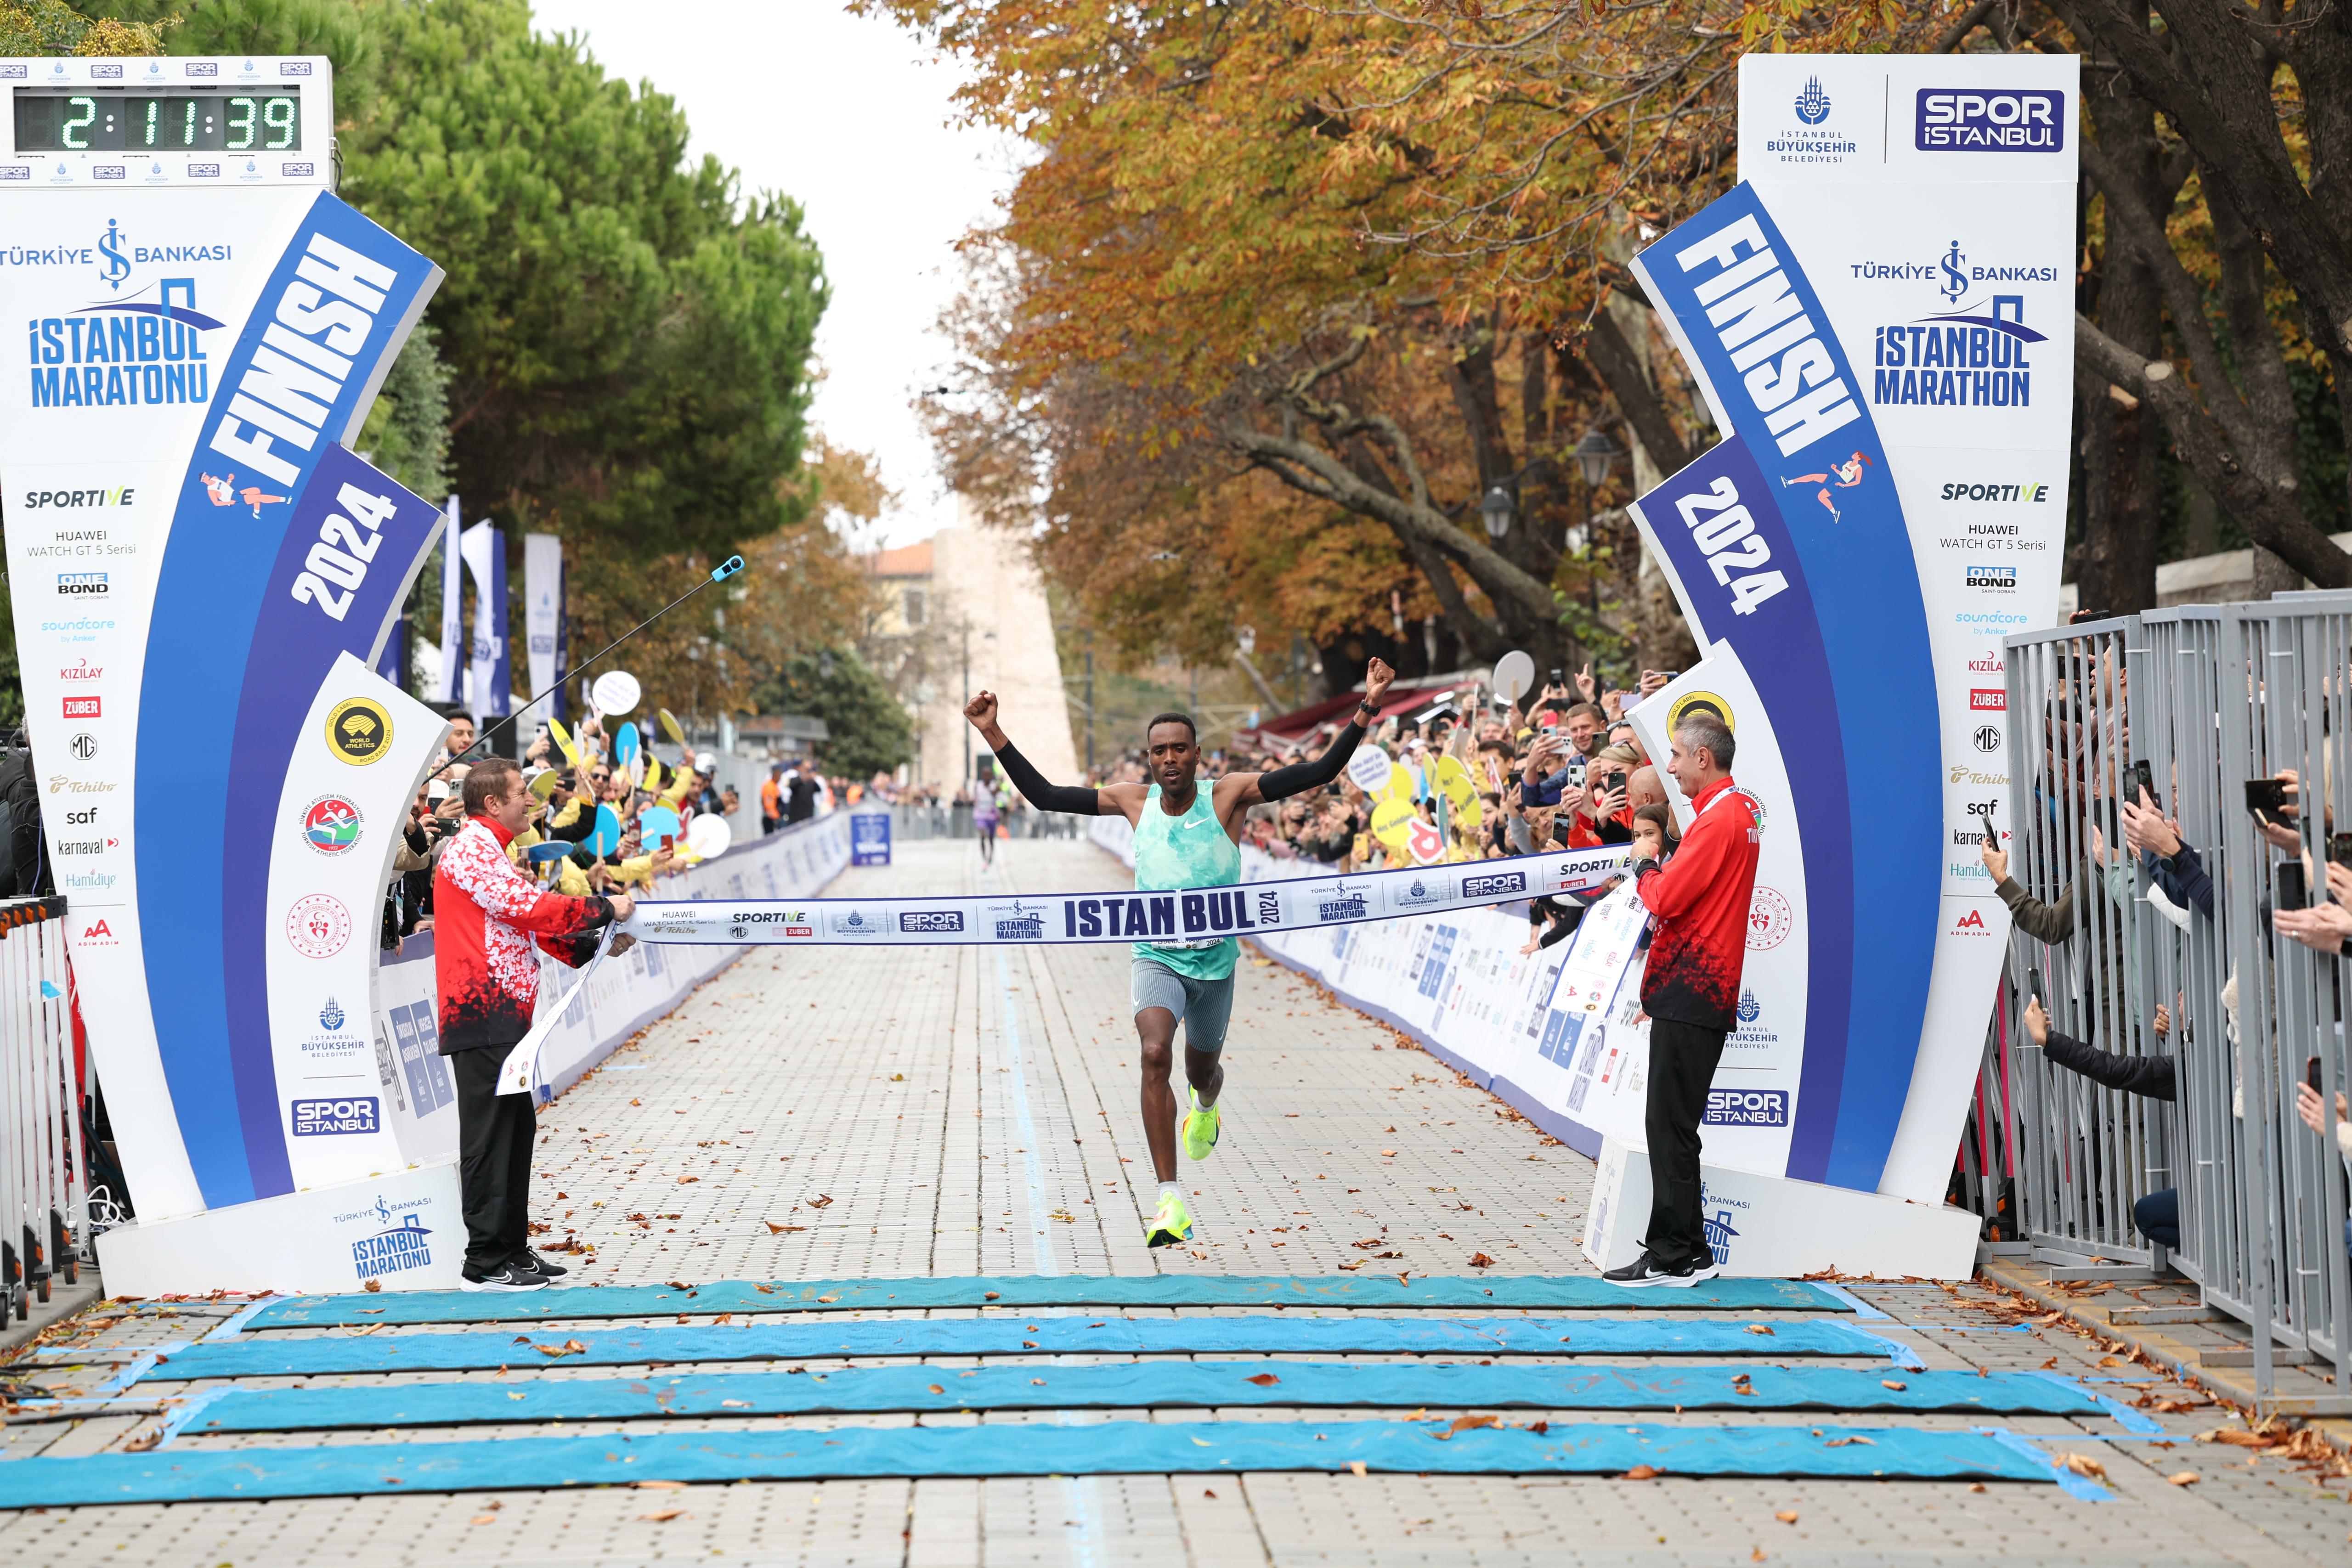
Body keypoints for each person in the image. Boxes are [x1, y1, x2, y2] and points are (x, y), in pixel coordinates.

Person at [964, 655, 1398, 1247]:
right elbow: (1044, 796)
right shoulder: (1131, 802)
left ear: (1197, 755)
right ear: (1149, 759)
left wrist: (1368, 705)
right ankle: (1168, 1201)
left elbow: (1319, 770)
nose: (1168, 759)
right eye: (1158, 751)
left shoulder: (1227, 797)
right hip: (1156, 958)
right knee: (1151, 1055)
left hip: (1214, 966)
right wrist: (992, 732)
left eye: (1179, 749)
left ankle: (1207, 1102)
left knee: (1201, 1071)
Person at [434, 755, 634, 1290]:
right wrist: (602, 909)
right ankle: (482, 1263)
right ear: (493, 802)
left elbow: (525, 926)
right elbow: (528, 909)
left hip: (507, 1015)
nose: (533, 799)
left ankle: (512, 1250)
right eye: (522, 791)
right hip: (479, 1012)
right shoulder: (471, 848)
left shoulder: (496, 850)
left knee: (516, 1131)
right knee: (488, 1137)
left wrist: (593, 946)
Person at [1605, 712, 1762, 1287]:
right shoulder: (1736, 813)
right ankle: (1690, 1251)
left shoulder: (1719, 819)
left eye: (1674, 756)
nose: (1667, 767)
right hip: (1703, 987)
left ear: (1702, 758)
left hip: (1693, 988)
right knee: (1674, 1126)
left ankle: (1673, 1255)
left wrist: (1645, 866)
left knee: (1667, 1127)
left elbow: (1666, 898)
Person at [972, 771, 1001, 865]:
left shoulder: (994, 785)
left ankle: (991, 855)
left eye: (989, 775)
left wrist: (990, 788)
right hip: (981, 815)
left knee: (991, 838)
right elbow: (975, 797)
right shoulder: (978, 785)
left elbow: (997, 793)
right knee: (983, 836)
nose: (987, 777)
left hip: (992, 816)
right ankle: (984, 857)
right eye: (985, 775)